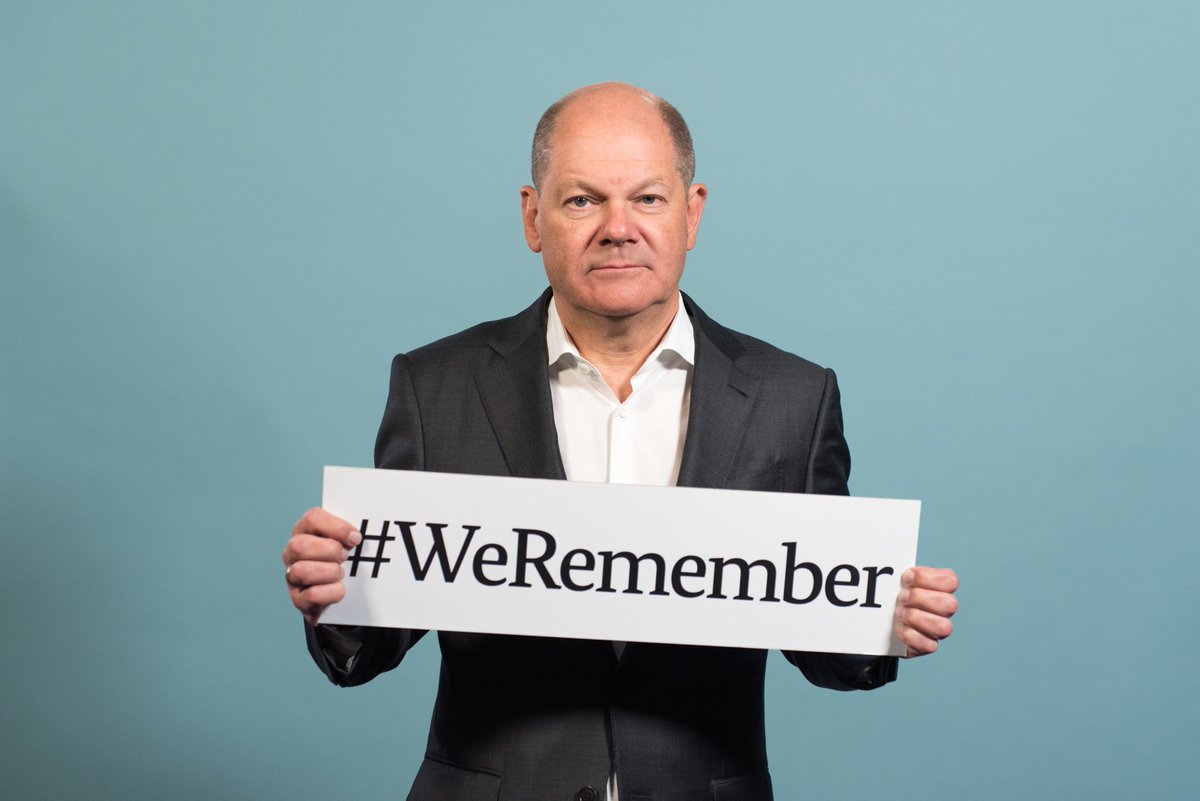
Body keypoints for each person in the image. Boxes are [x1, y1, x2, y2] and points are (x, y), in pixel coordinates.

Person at [282, 82, 959, 801]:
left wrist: (883, 620)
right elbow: (370, 640)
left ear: (691, 213)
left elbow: (825, 638)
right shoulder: (435, 386)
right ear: (532, 217)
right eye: (582, 200)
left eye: (648, 198)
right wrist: (334, 593)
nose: (618, 228)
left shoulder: (794, 399)